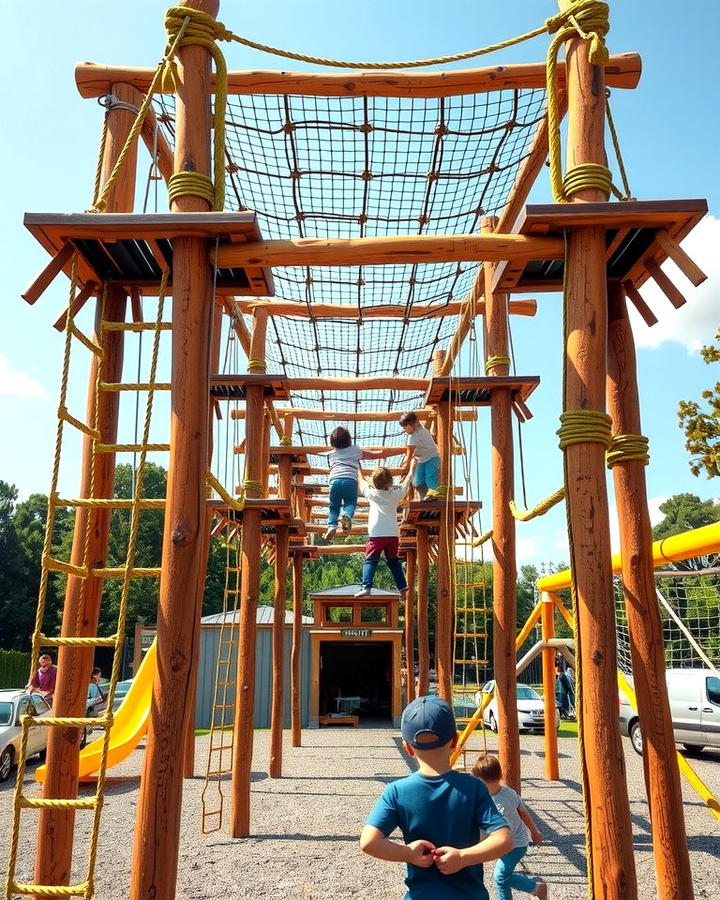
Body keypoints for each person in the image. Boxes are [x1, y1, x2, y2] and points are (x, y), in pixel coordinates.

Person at [361, 695, 512, 899]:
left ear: (408, 748)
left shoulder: (396, 791)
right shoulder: (474, 787)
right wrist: (462, 857)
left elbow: (368, 842)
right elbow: (504, 840)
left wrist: (409, 854)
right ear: (455, 740)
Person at [473, 754, 547, 899]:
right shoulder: (500, 792)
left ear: (482, 781)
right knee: (505, 877)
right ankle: (536, 887)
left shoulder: (502, 802)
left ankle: (536, 888)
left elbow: (503, 830)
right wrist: (534, 831)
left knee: (500, 877)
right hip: (508, 843)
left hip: (516, 845)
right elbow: (523, 812)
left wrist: (534, 832)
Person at [324, 426, 401, 541]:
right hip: (350, 480)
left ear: (332, 441)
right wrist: (383, 454)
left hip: (334, 480)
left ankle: (332, 525)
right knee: (350, 502)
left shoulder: (331, 453)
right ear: (348, 440)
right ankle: (347, 515)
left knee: (334, 506)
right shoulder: (355, 450)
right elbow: (372, 455)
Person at [355, 462, 415, 598]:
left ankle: (367, 587)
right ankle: (403, 587)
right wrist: (412, 468)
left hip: (376, 533)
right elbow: (406, 483)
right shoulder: (395, 494)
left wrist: (359, 469)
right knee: (393, 561)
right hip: (392, 534)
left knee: (371, 560)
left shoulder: (371, 493)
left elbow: (361, 482)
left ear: (374, 483)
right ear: (390, 482)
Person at [399, 412, 442, 500]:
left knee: (430, 476)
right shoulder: (419, 428)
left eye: (404, 427)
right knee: (417, 481)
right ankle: (425, 497)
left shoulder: (413, 436)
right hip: (421, 459)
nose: (404, 429)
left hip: (432, 458)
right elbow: (416, 421)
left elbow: (410, 452)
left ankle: (436, 495)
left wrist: (406, 466)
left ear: (410, 425)